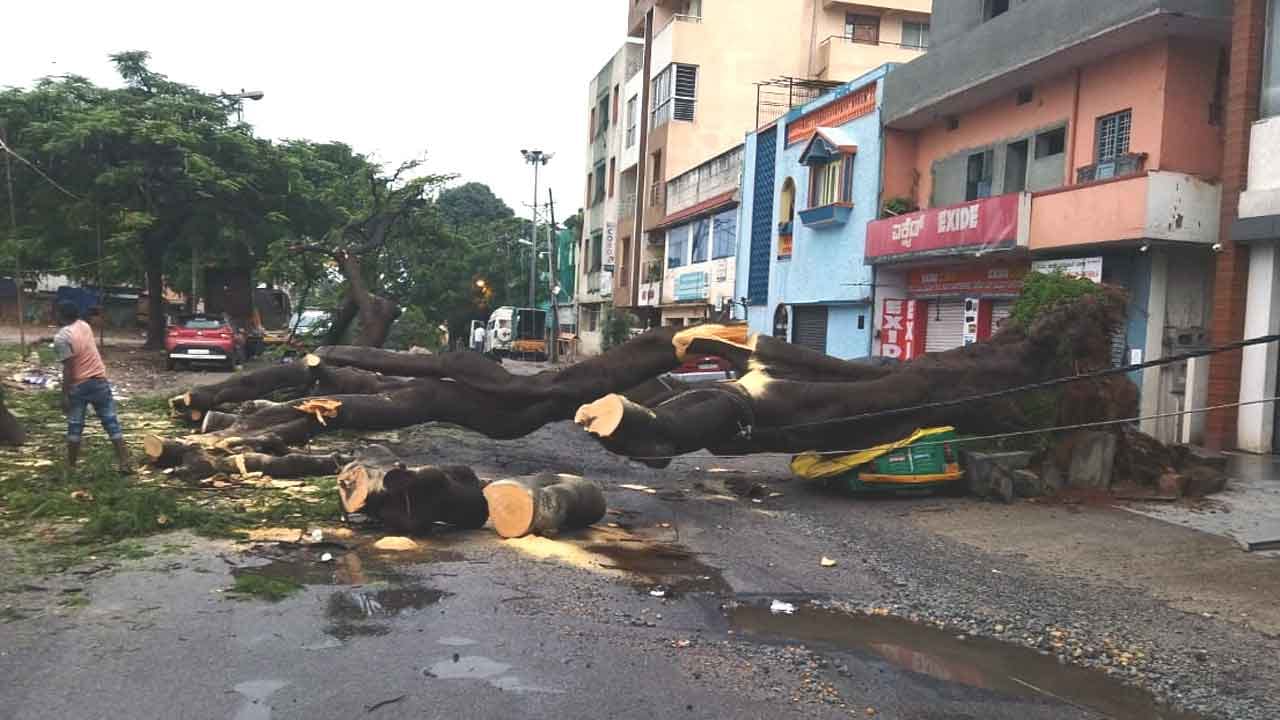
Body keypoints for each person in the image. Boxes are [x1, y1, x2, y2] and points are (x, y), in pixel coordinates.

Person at [53, 301, 132, 473]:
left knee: (75, 426)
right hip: (99, 381)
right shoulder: (84, 326)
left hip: (79, 385)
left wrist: (64, 395)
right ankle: (125, 462)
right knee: (111, 423)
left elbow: (68, 368)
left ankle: (71, 466)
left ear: (60, 315)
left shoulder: (61, 337)